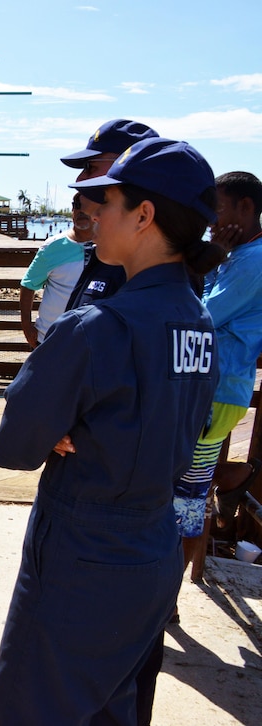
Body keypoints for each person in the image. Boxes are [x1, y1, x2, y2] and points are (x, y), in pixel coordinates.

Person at [0, 137, 226, 724]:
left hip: (81, 554)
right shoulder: (198, 319)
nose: (93, 215)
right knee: (116, 707)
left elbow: (14, 447)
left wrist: (60, 423)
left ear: (144, 215)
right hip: (153, 547)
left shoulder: (95, 328)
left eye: (106, 202)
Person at [175, 171, 262, 572]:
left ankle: (164, 596)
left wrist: (209, 262)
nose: (211, 221)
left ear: (246, 208)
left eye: (218, 210)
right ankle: (230, 477)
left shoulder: (253, 262)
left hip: (216, 390)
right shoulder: (240, 256)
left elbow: (202, 316)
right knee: (185, 491)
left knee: (182, 499)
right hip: (214, 388)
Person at [61, 119, 158, 310]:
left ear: (126, 164)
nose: (80, 178)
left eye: (90, 167)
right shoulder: (107, 251)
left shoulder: (148, 268)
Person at [18, 194, 92, 348]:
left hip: (92, 342)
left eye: (88, 205)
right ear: (72, 210)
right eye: (77, 206)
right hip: (49, 338)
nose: (81, 211)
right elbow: (28, 284)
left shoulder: (110, 246)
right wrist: (27, 326)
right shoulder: (52, 246)